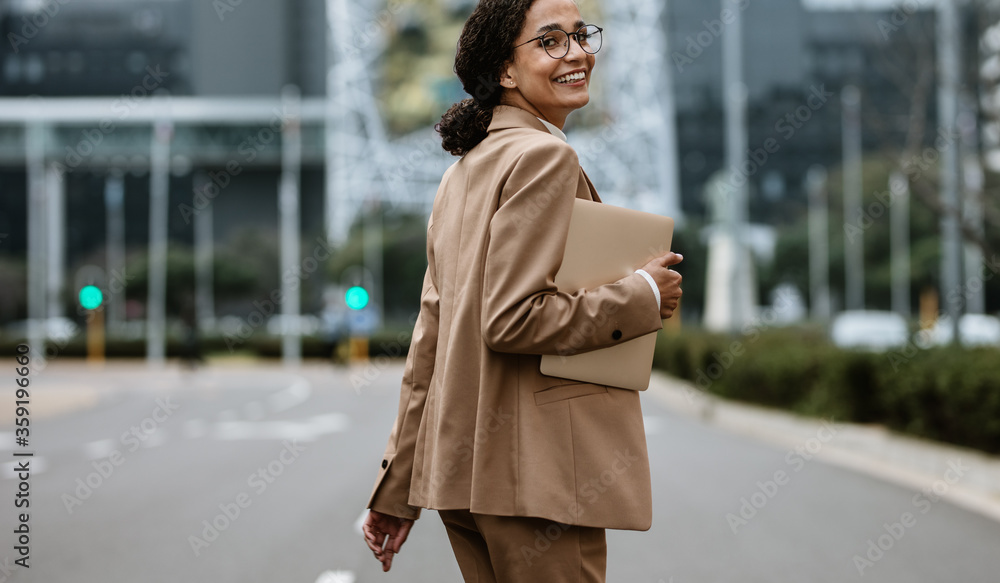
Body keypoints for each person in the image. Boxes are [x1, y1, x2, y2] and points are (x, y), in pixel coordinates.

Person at [362, 0, 683, 580]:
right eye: (551, 41)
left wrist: (397, 487)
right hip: (535, 480)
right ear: (505, 71)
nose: (578, 53)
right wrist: (642, 296)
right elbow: (512, 320)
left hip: (463, 482)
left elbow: (428, 346)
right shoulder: (543, 156)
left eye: (582, 35)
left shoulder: (465, 170)